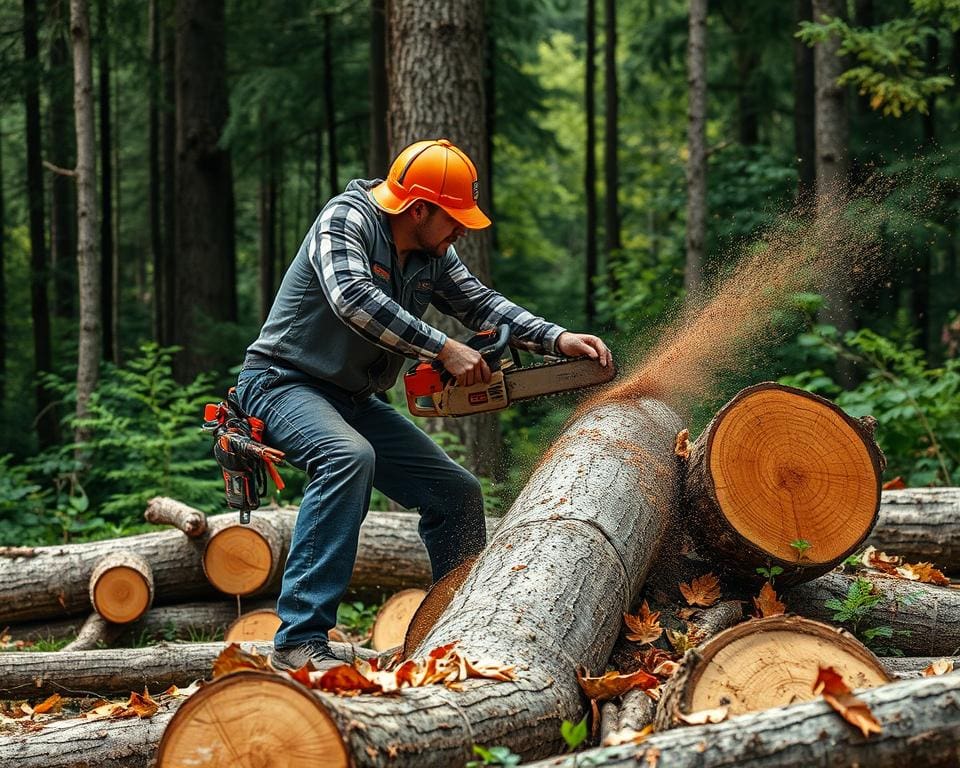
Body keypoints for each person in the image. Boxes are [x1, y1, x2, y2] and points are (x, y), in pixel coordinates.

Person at [235, 138, 612, 670]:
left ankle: (467, 623)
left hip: (351, 398)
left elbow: (479, 302)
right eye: (454, 219)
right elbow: (352, 299)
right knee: (347, 457)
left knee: (455, 492)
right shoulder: (347, 220)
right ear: (418, 210)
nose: (460, 230)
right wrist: (442, 347)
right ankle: (298, 641)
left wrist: (555, 339)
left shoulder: (433, 254)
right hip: (281, 383)